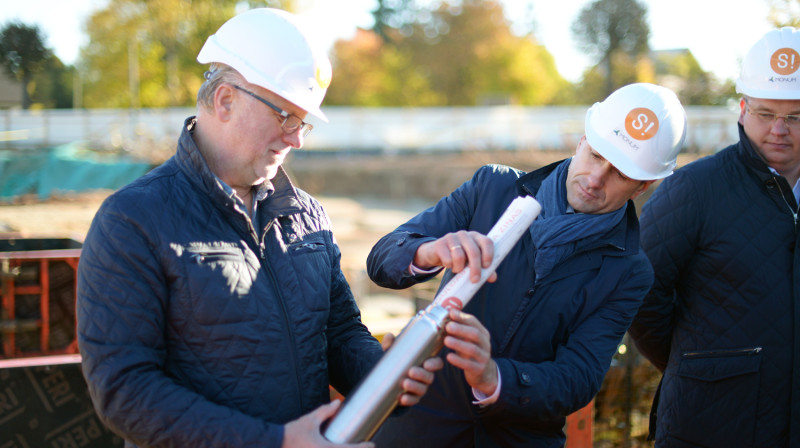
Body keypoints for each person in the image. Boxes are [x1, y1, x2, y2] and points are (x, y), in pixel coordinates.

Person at [76, 8, 440, 448]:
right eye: (285, 115)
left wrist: (386, 374)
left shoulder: (309, 218)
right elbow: (125, 392)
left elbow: (339, 334)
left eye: (302, 121)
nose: (297, 138)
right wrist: (275, 441)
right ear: (225, 100)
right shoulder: (132, 221)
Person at [365, 82, 687, 447]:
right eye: (596, 155)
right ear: (582, 140)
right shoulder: (493, 187)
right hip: (419, 428)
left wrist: (493, 377)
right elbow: (383, 258)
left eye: (621, 174)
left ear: (642, 186)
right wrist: (430, 251)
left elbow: (578, 377)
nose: (596, 179)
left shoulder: (629, 271)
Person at [628, 27, 800, 448]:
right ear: (742, 110)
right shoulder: (694, 189)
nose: (779, 129)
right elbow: (640, 295)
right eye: (764, 113)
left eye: (795, 117)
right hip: (708, 424)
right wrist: (702, 363)